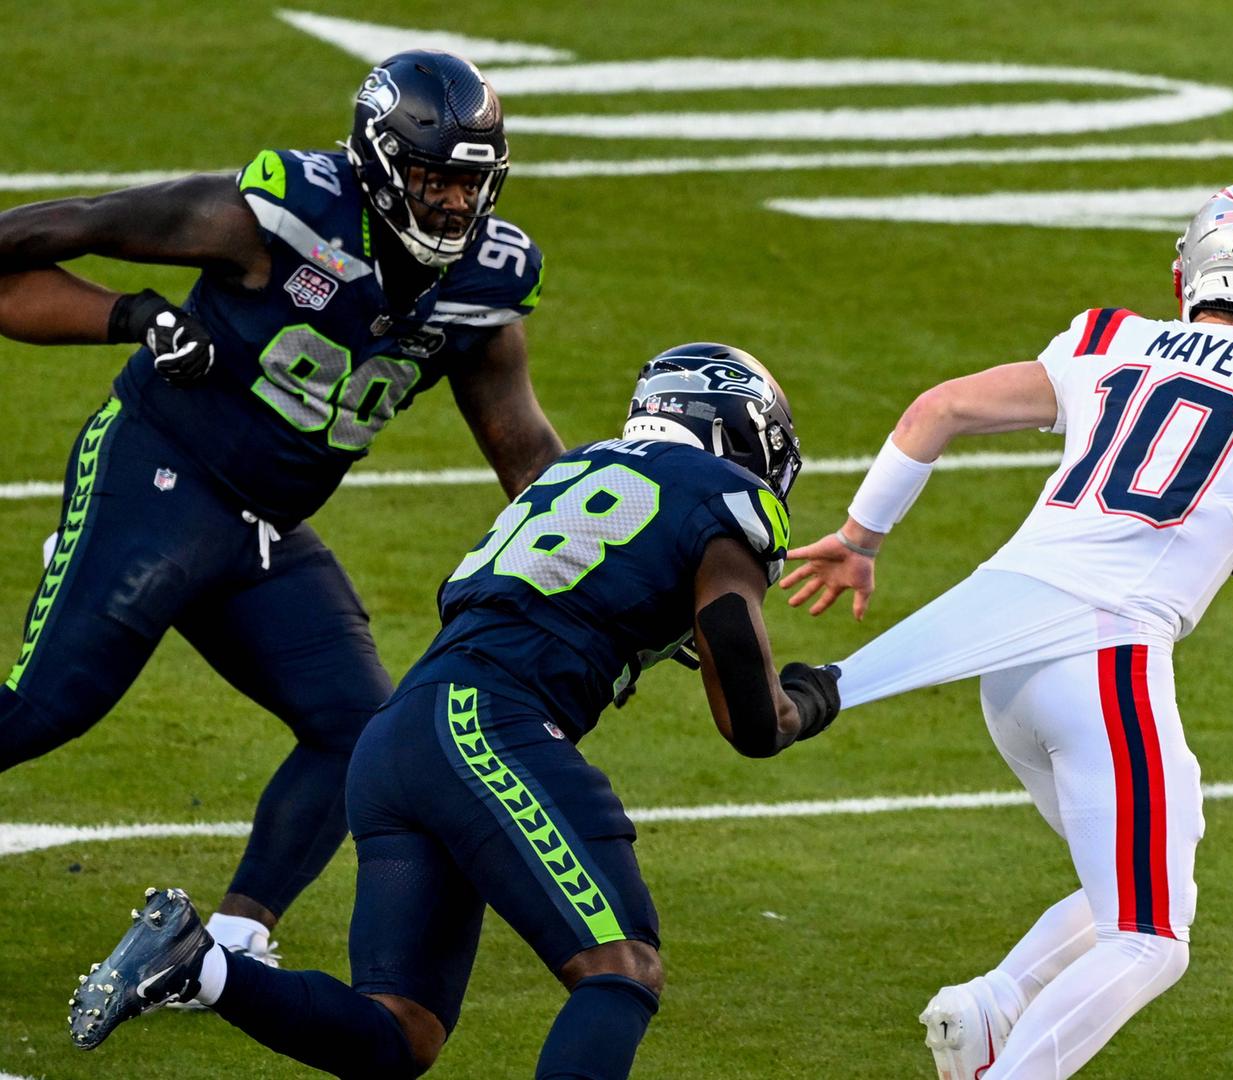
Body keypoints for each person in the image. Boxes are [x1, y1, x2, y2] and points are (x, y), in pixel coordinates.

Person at [66, 344, 841, 1080]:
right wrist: (809, 700)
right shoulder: (724, 498)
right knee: (619, 968)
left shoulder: (574, 471)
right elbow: (751, 722)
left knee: (401, 1032)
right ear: (732, 430)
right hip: (490, 726)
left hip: (401, 736)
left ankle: (196, 967)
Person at [779, 180, 1233, 1079]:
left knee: (1143, 878)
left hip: (1007, 660)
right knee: (1152, 940)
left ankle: (990, 1008)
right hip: (1107, 661)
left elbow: (935, 410)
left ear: (1186, 273)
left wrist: (861, 541)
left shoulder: (1110, 338)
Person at [0, 49, 563, 963]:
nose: (454, 205)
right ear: (380, 162)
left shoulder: (487, 284)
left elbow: (522, 444)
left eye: (470, 183)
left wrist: (608, 557)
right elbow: (79, 226)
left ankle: (221, 947)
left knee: (357, 730)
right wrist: (134, 317)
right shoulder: (281, 211)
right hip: (160, 475)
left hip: (266, 526)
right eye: (431, 178)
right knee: (39, 712)